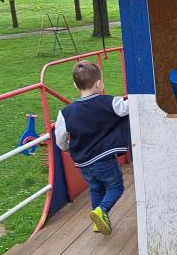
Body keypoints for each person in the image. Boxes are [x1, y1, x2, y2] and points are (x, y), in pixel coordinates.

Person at [55, 61, 130, 235]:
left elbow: (60, 138)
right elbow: (129, 108)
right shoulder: (110, 102)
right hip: (103, 158)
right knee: (116, 187)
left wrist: (66, 148)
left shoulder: (65, 112)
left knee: (96, 188)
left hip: (83, 162)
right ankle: (101, 211)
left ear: (76, 85)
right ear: (98, 83)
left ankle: (98, 223)